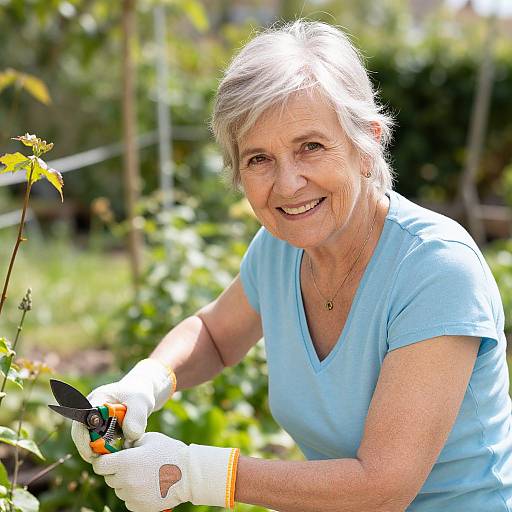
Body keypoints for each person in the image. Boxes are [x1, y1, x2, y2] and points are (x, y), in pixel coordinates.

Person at [71, 19, 512, 512]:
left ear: (366, 143)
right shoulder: (280, 248)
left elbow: (382, 488)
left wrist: (193, 474)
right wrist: (146, 381)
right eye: (258, 158)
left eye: (311, 146)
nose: (287, 184)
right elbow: (215, 336)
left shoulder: (435, 270)